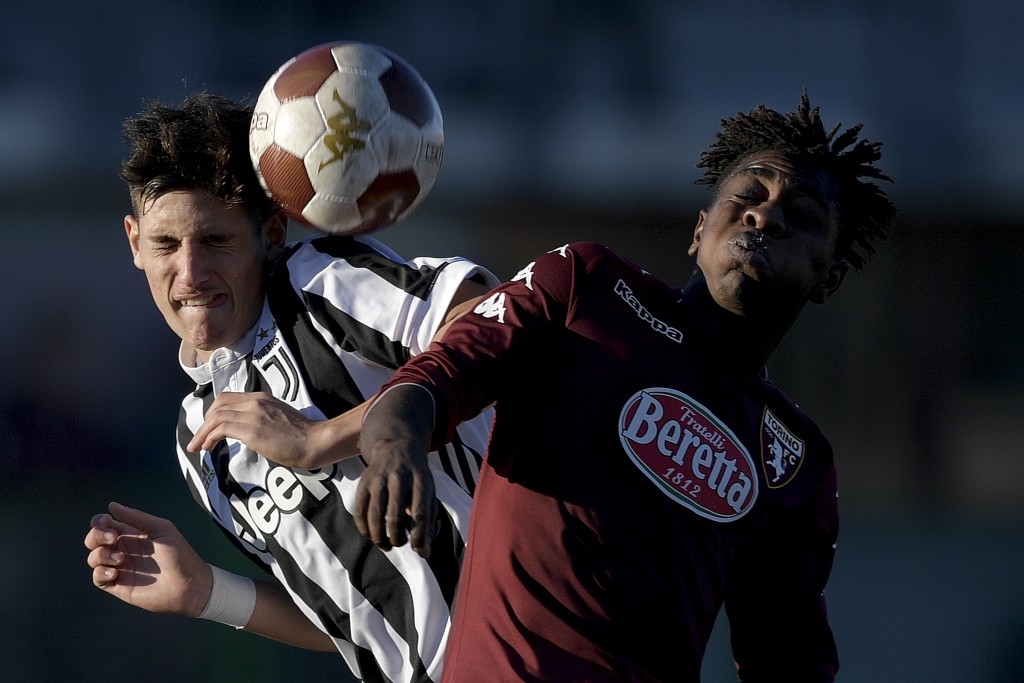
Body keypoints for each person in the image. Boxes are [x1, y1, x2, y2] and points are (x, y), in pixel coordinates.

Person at [352, 92, 898, 682]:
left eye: (803, 214)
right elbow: (429, 383)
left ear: (829, 277)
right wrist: (393, 449)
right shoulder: (587, 288)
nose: (765, 216)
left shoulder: (797, 461)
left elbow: (788, 661)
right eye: (748, 194)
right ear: (699, 229)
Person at [83, 92, 499, 683]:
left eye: (216, 241)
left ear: (272, 233)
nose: (192, 273)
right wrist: (205, 590)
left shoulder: (320, 284)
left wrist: (324, 439)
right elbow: (353, 624)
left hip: (541, 638)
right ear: (133, 242)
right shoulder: (196, 440)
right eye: (166, 246)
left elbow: (497, 322)